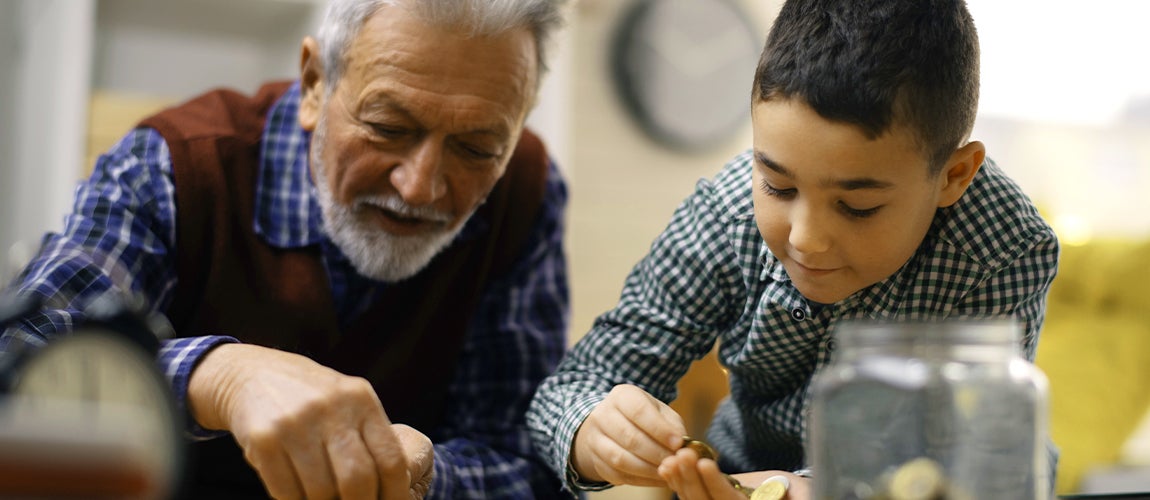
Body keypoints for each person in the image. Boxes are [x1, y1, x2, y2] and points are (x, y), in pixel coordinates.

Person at [0, 0, 572, 497]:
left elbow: (533, 467)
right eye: (388, 127)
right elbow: (18, 356)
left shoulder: (525, 194)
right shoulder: (175, 166)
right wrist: (219, 376)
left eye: (476, 148)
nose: (420, 186)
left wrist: (424, 477)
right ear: (314, 84)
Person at [526, 0, 1059, 498]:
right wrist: (592, 429)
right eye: (778, 186)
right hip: (738, 470)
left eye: (857, 206)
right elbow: (571, 388)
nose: (805, 238)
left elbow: (978, 452)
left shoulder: (1002, 248)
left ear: (954, 175)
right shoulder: (726, 213)